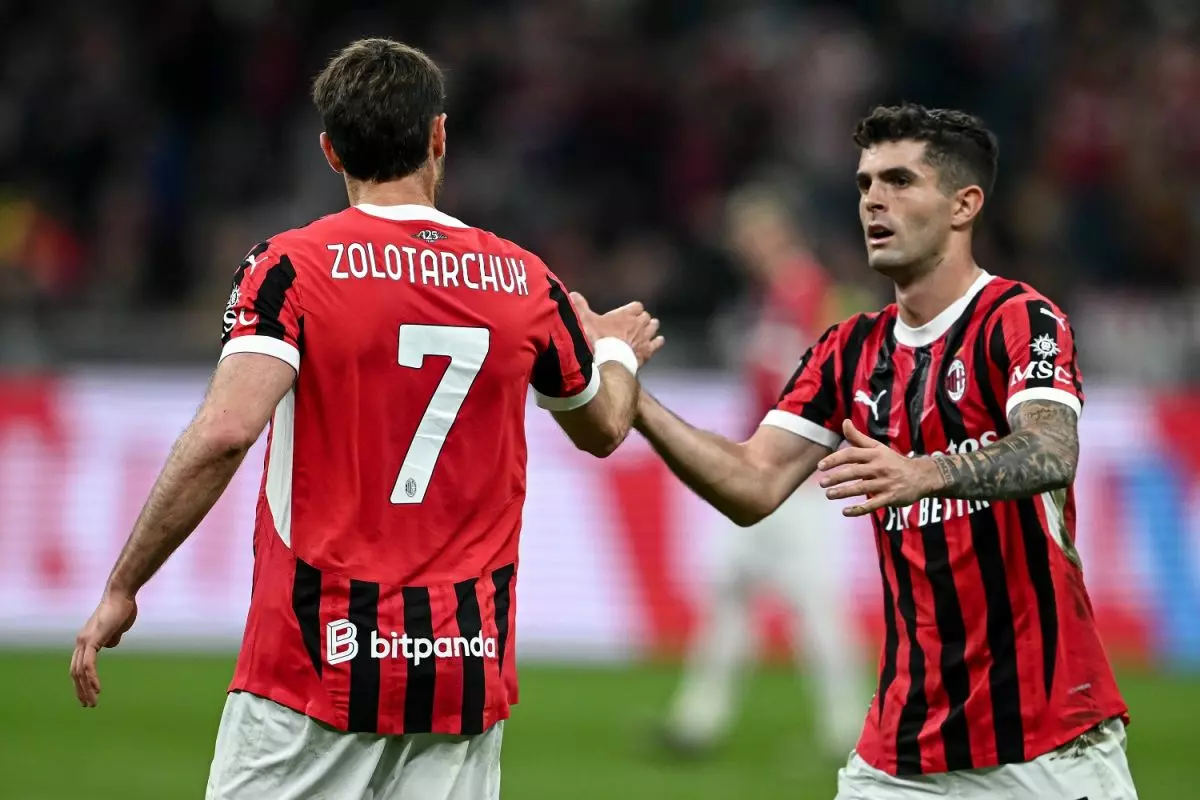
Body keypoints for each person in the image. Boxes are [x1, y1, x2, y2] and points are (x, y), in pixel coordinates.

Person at [69, 38, 662, 800]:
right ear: (439, 136)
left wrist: (124, 585)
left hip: (318, 660)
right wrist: (614, 351)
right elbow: (605, 427)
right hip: (460, 668)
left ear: (330, 150)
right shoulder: (526, 280)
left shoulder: (291, 268)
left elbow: (224, 432)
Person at [580, 103, 1139, 798]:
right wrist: (629, 391)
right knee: (740, 600)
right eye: (866, 183)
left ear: (964, 205)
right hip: (899, 756)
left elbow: (1052, 450)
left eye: (900, 181)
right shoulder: (848, 350)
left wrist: (928, 471)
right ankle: (718, 718)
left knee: (812, 607)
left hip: (1046, 743)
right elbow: (753, 481)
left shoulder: (1021, 319)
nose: (874, 199)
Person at [657, 186, 867, 761]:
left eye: (753, 231)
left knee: (814, 606)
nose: (744, 244)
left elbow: (831, 380)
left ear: (779, 231)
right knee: (729, 592)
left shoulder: (812, 292)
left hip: (794, 480)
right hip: (761, 468)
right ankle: (697, 722)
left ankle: (849, 730)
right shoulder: (773, 296)